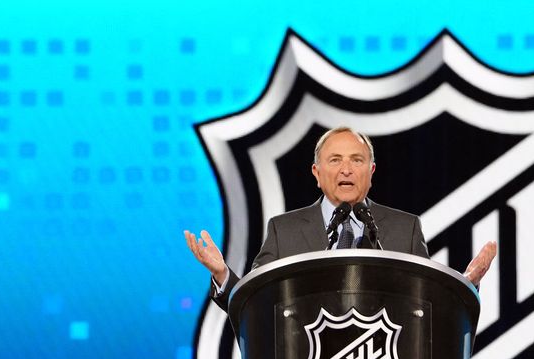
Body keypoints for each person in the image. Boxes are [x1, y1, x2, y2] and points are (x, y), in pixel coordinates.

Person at [185, 127, 497, 311]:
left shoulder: (404, 229)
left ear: (371, 172)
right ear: (316, 173)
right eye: (335, 160)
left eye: (357, 160)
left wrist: (463, 289)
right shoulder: (284, 231)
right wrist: (224, 275)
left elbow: (425, 308)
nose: (346, 169)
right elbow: (255, 305)